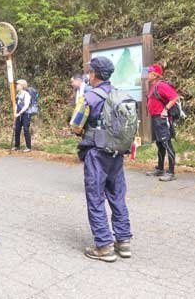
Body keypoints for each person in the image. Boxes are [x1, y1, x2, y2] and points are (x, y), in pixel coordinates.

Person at [70, 56, 132, 262]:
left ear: (93, 74)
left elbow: (76, 125)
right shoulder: (119, 94)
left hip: (96, 153)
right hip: (117, 153)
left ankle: (104, 246)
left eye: (89, 72)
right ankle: (123, 241)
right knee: (117, 195)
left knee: (96, 197)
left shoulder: (89, 97)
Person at [145, 64, 179, 182]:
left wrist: (165, 110)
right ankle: (160, 168)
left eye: (149, 72)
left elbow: (174, 97)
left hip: (162, 119)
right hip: (155, 119)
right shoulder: (154, 86)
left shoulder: (161, 86)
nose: (147, 74)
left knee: (166, 143)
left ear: (154, 75)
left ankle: (171, 172)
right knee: (159, 144)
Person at [12, 79, 33, 152]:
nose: (16, 86)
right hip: (18, 114)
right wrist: (15, 113)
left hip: (26, 114)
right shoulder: (18, 94)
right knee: (17, 129)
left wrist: (19, 113)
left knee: (26, 129)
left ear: (22, 86)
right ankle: (17, 146)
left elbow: (26, 105)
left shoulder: (26, 94)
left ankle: (28, 147)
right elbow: (16, 105)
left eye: (18, 84)